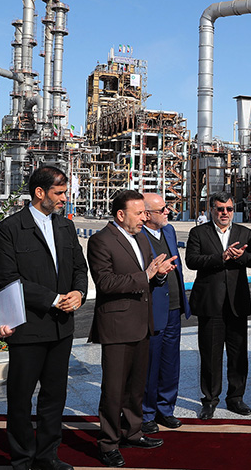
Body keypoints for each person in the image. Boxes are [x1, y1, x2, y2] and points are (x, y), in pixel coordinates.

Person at [0, 166, 88, 470]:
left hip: (62, 329)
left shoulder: (66, 227)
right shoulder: (10, 229)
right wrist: (53, 299)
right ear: (39, 192)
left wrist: (79, 292)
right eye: (59, 193)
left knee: (54, 396)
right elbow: (8, 278)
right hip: (28, 328)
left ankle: (48, 456)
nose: (65, 198)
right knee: (20, 398)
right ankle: (22, 459)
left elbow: (79, 267)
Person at [88, 190, 177, 468]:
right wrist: (146, 275)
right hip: (117, 326)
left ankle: (133, 432)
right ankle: (108, 443)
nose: (144, 218)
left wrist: (159, 275)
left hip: (142, 323)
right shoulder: (101, 240)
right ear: (120, 214)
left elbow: (150, 277)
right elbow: (105, 283)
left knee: (136, 387)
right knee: (114, 390)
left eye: (145, 213)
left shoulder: (141, 238)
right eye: (139, 213)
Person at [185, 191, 251, 420]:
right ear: (211, 210)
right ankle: (210, 400)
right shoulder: (199, 233)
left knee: (238, 354)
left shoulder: (244, 232)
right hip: (210, 303)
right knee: (210, 354)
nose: (225, 213)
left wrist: (239, 257)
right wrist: (222, 257)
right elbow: (192, 261)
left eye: (228, 209)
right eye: (220, 209)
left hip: (237, 303)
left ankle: (236, 397)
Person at [138, 193, 191, 434]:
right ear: (147, 215)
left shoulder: (169, 231)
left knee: (171, 362)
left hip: (174, 308)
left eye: (167, 207)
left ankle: (166, 409)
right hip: (152, 309)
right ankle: (147, 413)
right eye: (162, 209)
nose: (168, 212)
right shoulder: (139, 236)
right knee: (151, 363)